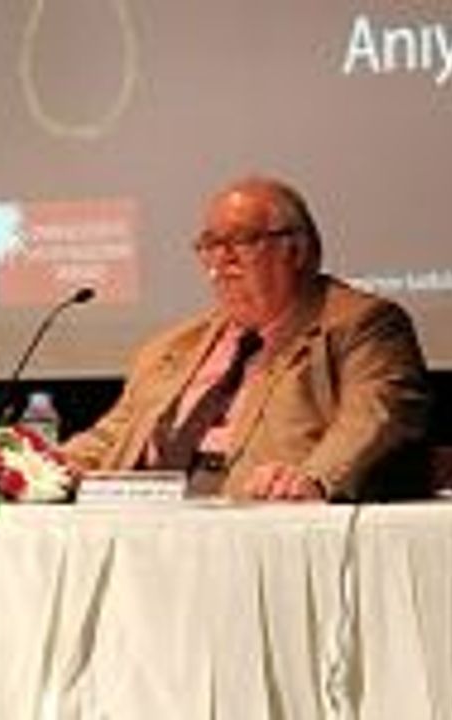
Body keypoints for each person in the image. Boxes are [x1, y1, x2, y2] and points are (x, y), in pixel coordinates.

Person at [63, 176, 430, 501]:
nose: (221, 260)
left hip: (255, 514)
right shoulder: (174, 345)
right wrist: (51, 465)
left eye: (241, 240)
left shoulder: (362, 324)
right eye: (210, 245)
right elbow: (115, 434)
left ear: (296, 251)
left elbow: (372, 420)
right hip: (143, 511)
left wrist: (314, 478)